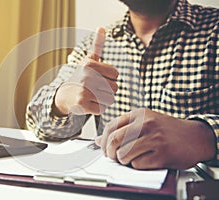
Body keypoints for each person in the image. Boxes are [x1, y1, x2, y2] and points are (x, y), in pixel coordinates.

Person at [26, 0, 219, 170]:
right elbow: (39, 125)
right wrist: (63, 99)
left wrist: (203, 137)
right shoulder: (93, 45)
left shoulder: (215, 30)